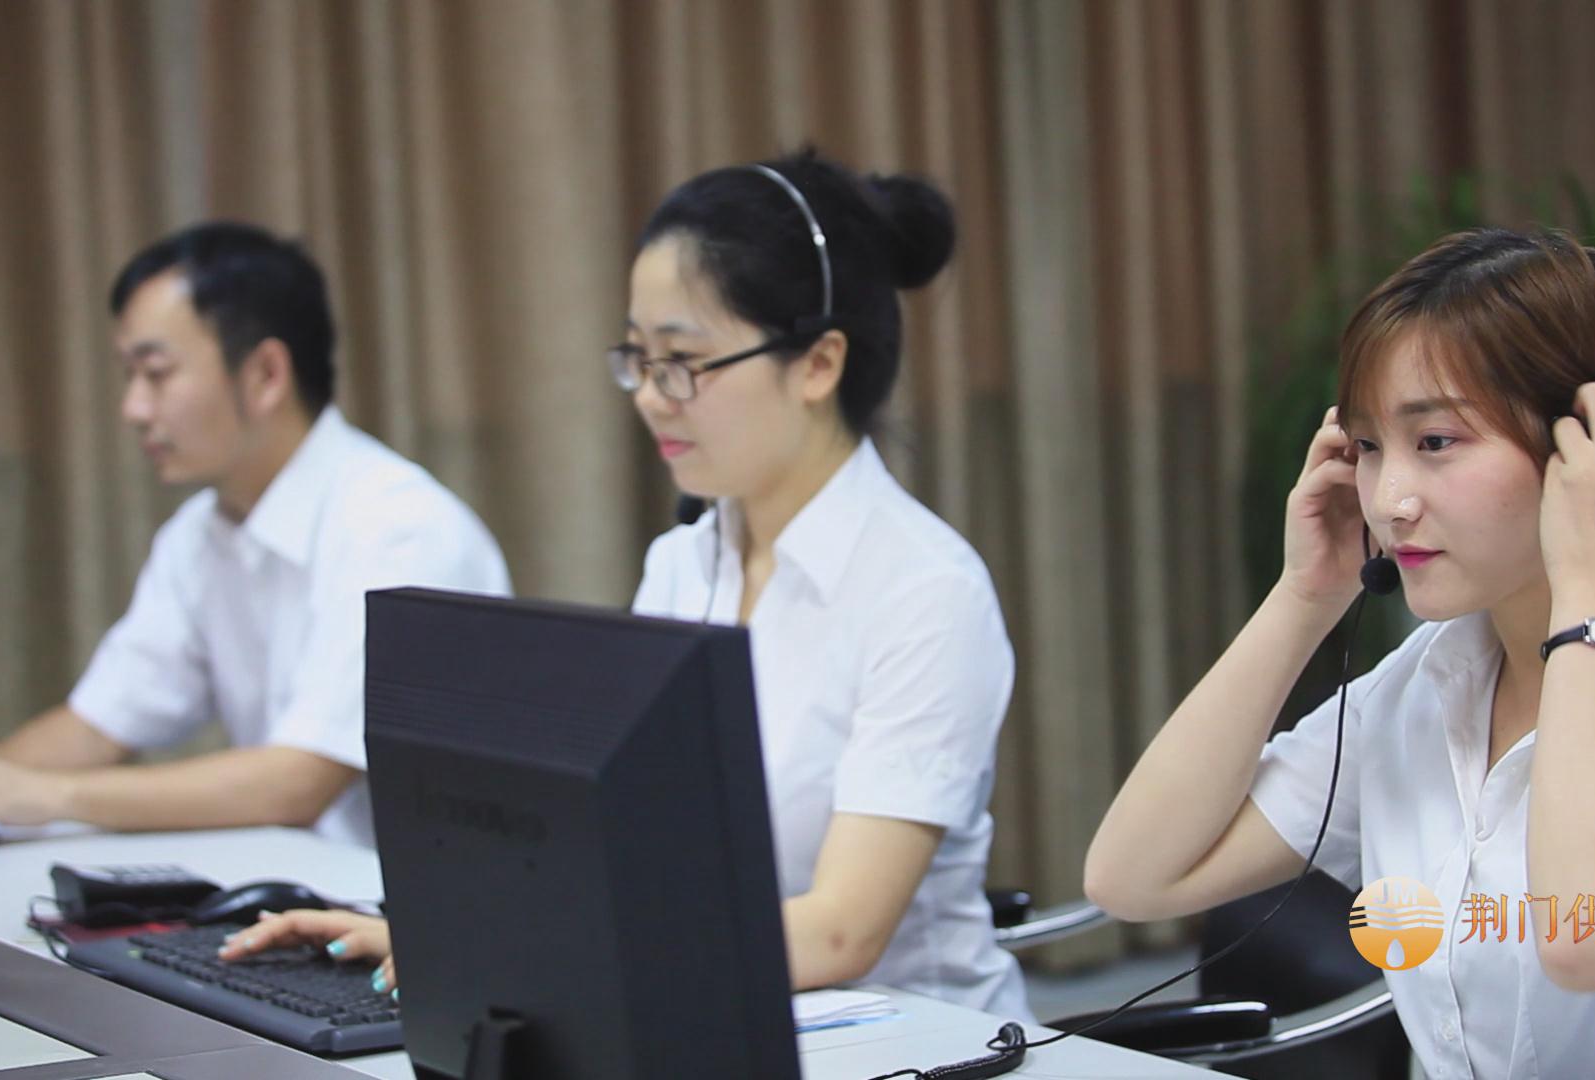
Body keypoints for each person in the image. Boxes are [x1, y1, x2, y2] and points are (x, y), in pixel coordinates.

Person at [225, 152, 1031, 1021]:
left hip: (915, 1041)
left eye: (682, 361)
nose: (649, 397)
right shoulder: (684, 564)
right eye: (637, 360)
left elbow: (841, 933)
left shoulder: (924, 591)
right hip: (710, 1017)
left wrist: (513, 950)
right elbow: (622, 850)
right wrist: (439, 928)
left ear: (817, 364)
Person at [1084, 227, 1595, 1080]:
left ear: (1590, 447)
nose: (1389, 501)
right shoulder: (1425, 683)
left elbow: (1589, 940)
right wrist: (1304, 597)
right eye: (1368, 447)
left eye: (1436, 442)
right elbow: (1134, 877)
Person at [0, 222, 511, 847]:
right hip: (291, 881)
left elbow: (300, 781)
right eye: (129, 376)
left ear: (266, 374)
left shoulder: (398, 529)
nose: (133, 409)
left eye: (156, 373)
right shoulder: (197, 537)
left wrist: (49, 797)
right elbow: (98, 725)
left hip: (396, 897)